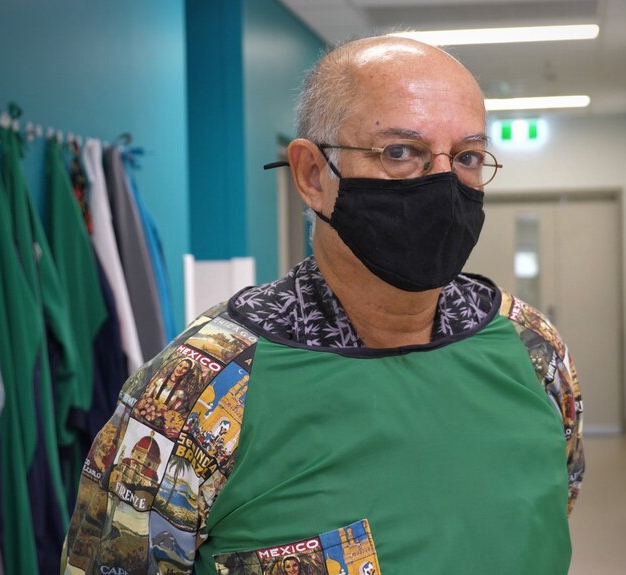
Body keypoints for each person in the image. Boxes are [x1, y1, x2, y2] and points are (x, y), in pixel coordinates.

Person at [61, 35, 583, 575]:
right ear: (312, 174)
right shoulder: (196, 391)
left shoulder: (530, 348)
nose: (443, 186)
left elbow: (550, 507)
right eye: (400, 153)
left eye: (468, 157)